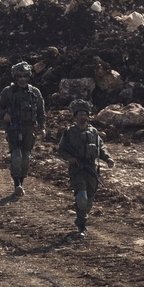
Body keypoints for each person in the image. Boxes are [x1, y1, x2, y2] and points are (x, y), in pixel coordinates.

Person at [57, 100, 114, 237]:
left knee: (89, 201)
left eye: (85, 114)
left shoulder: (93, 132)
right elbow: (61, 149)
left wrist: (108, 159)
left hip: (91, 170)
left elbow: (101, 148)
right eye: (80, 114)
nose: (82, 117)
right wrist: (70, 158)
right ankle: (82, 227)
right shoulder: (70, 132)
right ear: (75, 116)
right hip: (77, 170)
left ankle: (80, 218)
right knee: (81, 197)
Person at [0, 61, 46, 196]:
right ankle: (16, 183)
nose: (22, 79)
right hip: (14, 127)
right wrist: (4, 114)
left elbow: (41, 111)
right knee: (16, 155)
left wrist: (42, 127)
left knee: (26, 158)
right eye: (20, 76)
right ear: (15, 77)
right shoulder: (8, 91)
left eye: (25, 76)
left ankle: (21, 181)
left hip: (29, 128)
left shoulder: (34, 92)